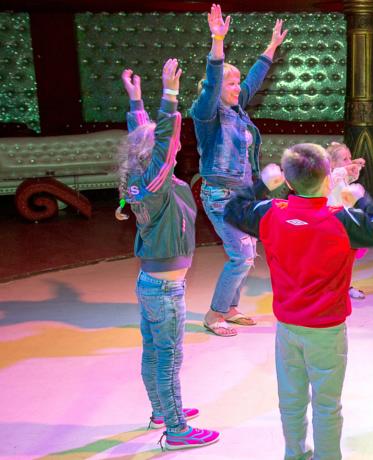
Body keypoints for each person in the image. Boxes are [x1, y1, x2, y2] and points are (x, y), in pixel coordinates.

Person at [224, 144, 373, 459]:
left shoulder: (271, 212)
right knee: (327, 405)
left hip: (288, 328)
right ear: (328, 178)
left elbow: (233, 209)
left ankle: (294, 453)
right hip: (327, 331)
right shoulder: (342, 220)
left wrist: (263, 184)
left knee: (291, 401)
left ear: (288, 181)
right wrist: (361, 199)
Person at [116, 61, 219, 450]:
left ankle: (161, 411)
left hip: (150, 283)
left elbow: (144, 138)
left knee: (154, 353)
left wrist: (135, 101)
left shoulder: (142, 179)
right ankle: (176, 429)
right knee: (169, 360)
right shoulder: (157, 183)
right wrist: (169, 95)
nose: (174, 146)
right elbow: (161, 139)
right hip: (164, 291)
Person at [191, 3, 288, 337]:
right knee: (242, 256)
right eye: (230, 84)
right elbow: (213, 81)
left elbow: (254, 80)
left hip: (242, 195)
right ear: (216, 88)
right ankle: (214, 313)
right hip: (219, 196)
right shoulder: (206, 114)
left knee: (246, 253)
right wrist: (217, 40)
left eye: (236, 83)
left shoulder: (236, 108)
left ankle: (230, 308)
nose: (237, 88)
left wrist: (272, 46)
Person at [325, 142, 368, 299]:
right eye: (345, 159)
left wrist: (355, 164)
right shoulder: (328, 177)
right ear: (332, 163)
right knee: (333, 260)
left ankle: (344, 287)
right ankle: (331, 289)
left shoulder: (341, 175)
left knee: (347, 259)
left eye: (350, 157)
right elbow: (336, 175)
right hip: (330, 225)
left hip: (345, 222)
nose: (349, 161)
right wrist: (348, 167)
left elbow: (348, 175)